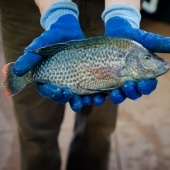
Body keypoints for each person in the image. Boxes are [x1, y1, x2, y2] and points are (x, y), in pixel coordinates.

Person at [1, 0, 170, 170]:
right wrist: (57, 11)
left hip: (101, 10)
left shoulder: (130, 51)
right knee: (35, 125)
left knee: (98, 129)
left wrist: (122, 12)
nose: (152, 61)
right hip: (26, 8)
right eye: (147, 58)